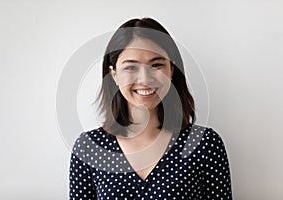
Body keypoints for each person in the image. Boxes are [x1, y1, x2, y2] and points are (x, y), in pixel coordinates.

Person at [69, 18, 233, 199]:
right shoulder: (88, 148)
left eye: (156, 65)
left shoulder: (205, 145)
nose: (145, 79)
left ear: (171, 69)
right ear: (113, 75)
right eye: (131, 67)